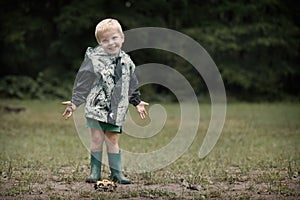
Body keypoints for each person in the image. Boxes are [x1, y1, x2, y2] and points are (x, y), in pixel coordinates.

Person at [61, 18, 148, 184]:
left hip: (116, 110)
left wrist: (137, 102)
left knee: (113, 139)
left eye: (114, 38)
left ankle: (117, 173)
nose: (111, 43)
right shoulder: (95, 59)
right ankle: (95, 171)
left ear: (122, 38)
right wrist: (74, 103)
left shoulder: (127, 61)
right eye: (105, 40)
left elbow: (131, 83)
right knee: (97, 139)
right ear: (99, 43)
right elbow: (84, 82)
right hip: (96, 107)